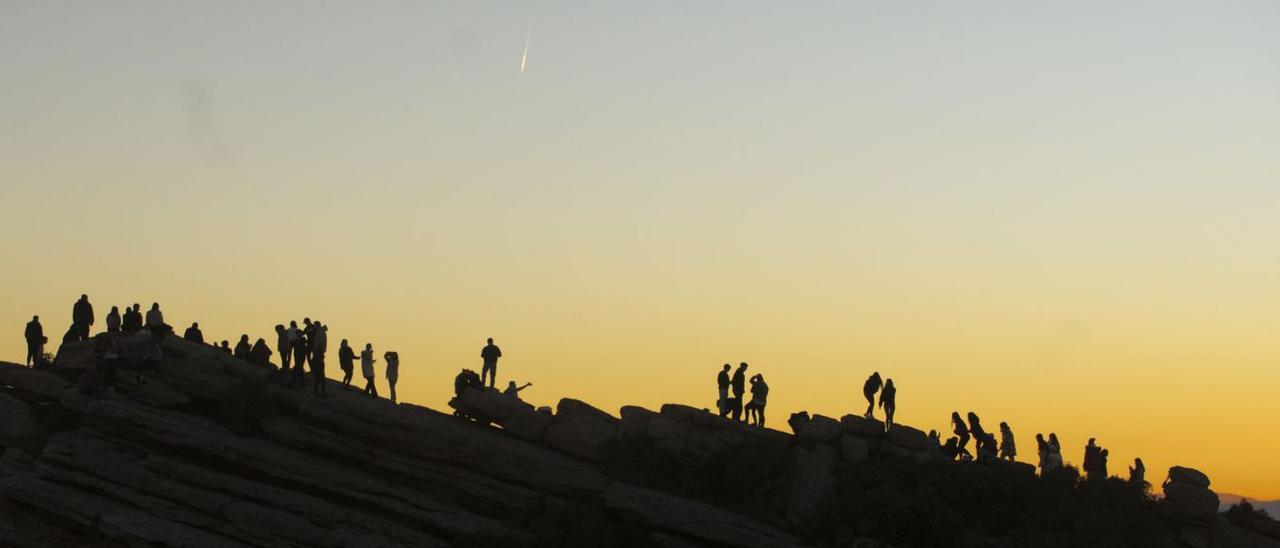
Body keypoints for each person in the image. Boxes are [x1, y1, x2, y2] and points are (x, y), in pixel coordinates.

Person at [311, 322, 328, 398]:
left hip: (318, 353)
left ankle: (318, 393)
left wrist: (316, 349)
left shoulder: (320, 332)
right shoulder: (322, 332)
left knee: (318, 378)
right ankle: (321, 393)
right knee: (321, 378)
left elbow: (319, 342)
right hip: (320, 354)